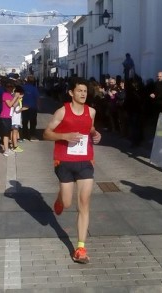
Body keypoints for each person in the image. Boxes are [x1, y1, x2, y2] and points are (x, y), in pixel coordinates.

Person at [43, 77, 101, 264]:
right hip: (64, 161)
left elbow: (90, 128)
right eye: (79, 91)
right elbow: (46, 133)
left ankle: (80, 248)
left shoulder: (91, 111)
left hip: (85, 160)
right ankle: (60, 199)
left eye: (85, 91)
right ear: (71, 93)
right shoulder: (62, 112)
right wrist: (64, 136)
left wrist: (96, 134)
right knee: (67, 203)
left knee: (84, 202)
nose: (83, 94)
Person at [0, 82, 20, 156]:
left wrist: (18, 98)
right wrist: (15, 97)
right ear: (6, 87)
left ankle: (7, 149)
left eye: (12, 86)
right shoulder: (5, 94)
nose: (10, 88)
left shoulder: (10, 95)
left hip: (9, 116)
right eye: (8, 86)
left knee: (8, 133)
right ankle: (6, 151)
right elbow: (9, 105)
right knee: (6, 134)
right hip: (5, 116)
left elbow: (14, 105)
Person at [22, 75, 40, 141]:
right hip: (33, 107)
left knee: (24, 121)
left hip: (24, 107)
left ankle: (24, 135)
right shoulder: (34, 88)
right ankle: (32, 136)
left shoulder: (23, 87)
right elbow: (37, 98)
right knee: (33, 122)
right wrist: (38, 106)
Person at [10, 85, 27, 153]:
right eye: (22, 94)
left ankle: (12, 144)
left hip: (16, 118)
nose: (23, 95)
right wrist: (18, 98)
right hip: (14, 118)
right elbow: (14, 105)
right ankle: (15, 146)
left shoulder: (15, 97)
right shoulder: (16, 97)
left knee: (13, 132)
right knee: (15, 132)